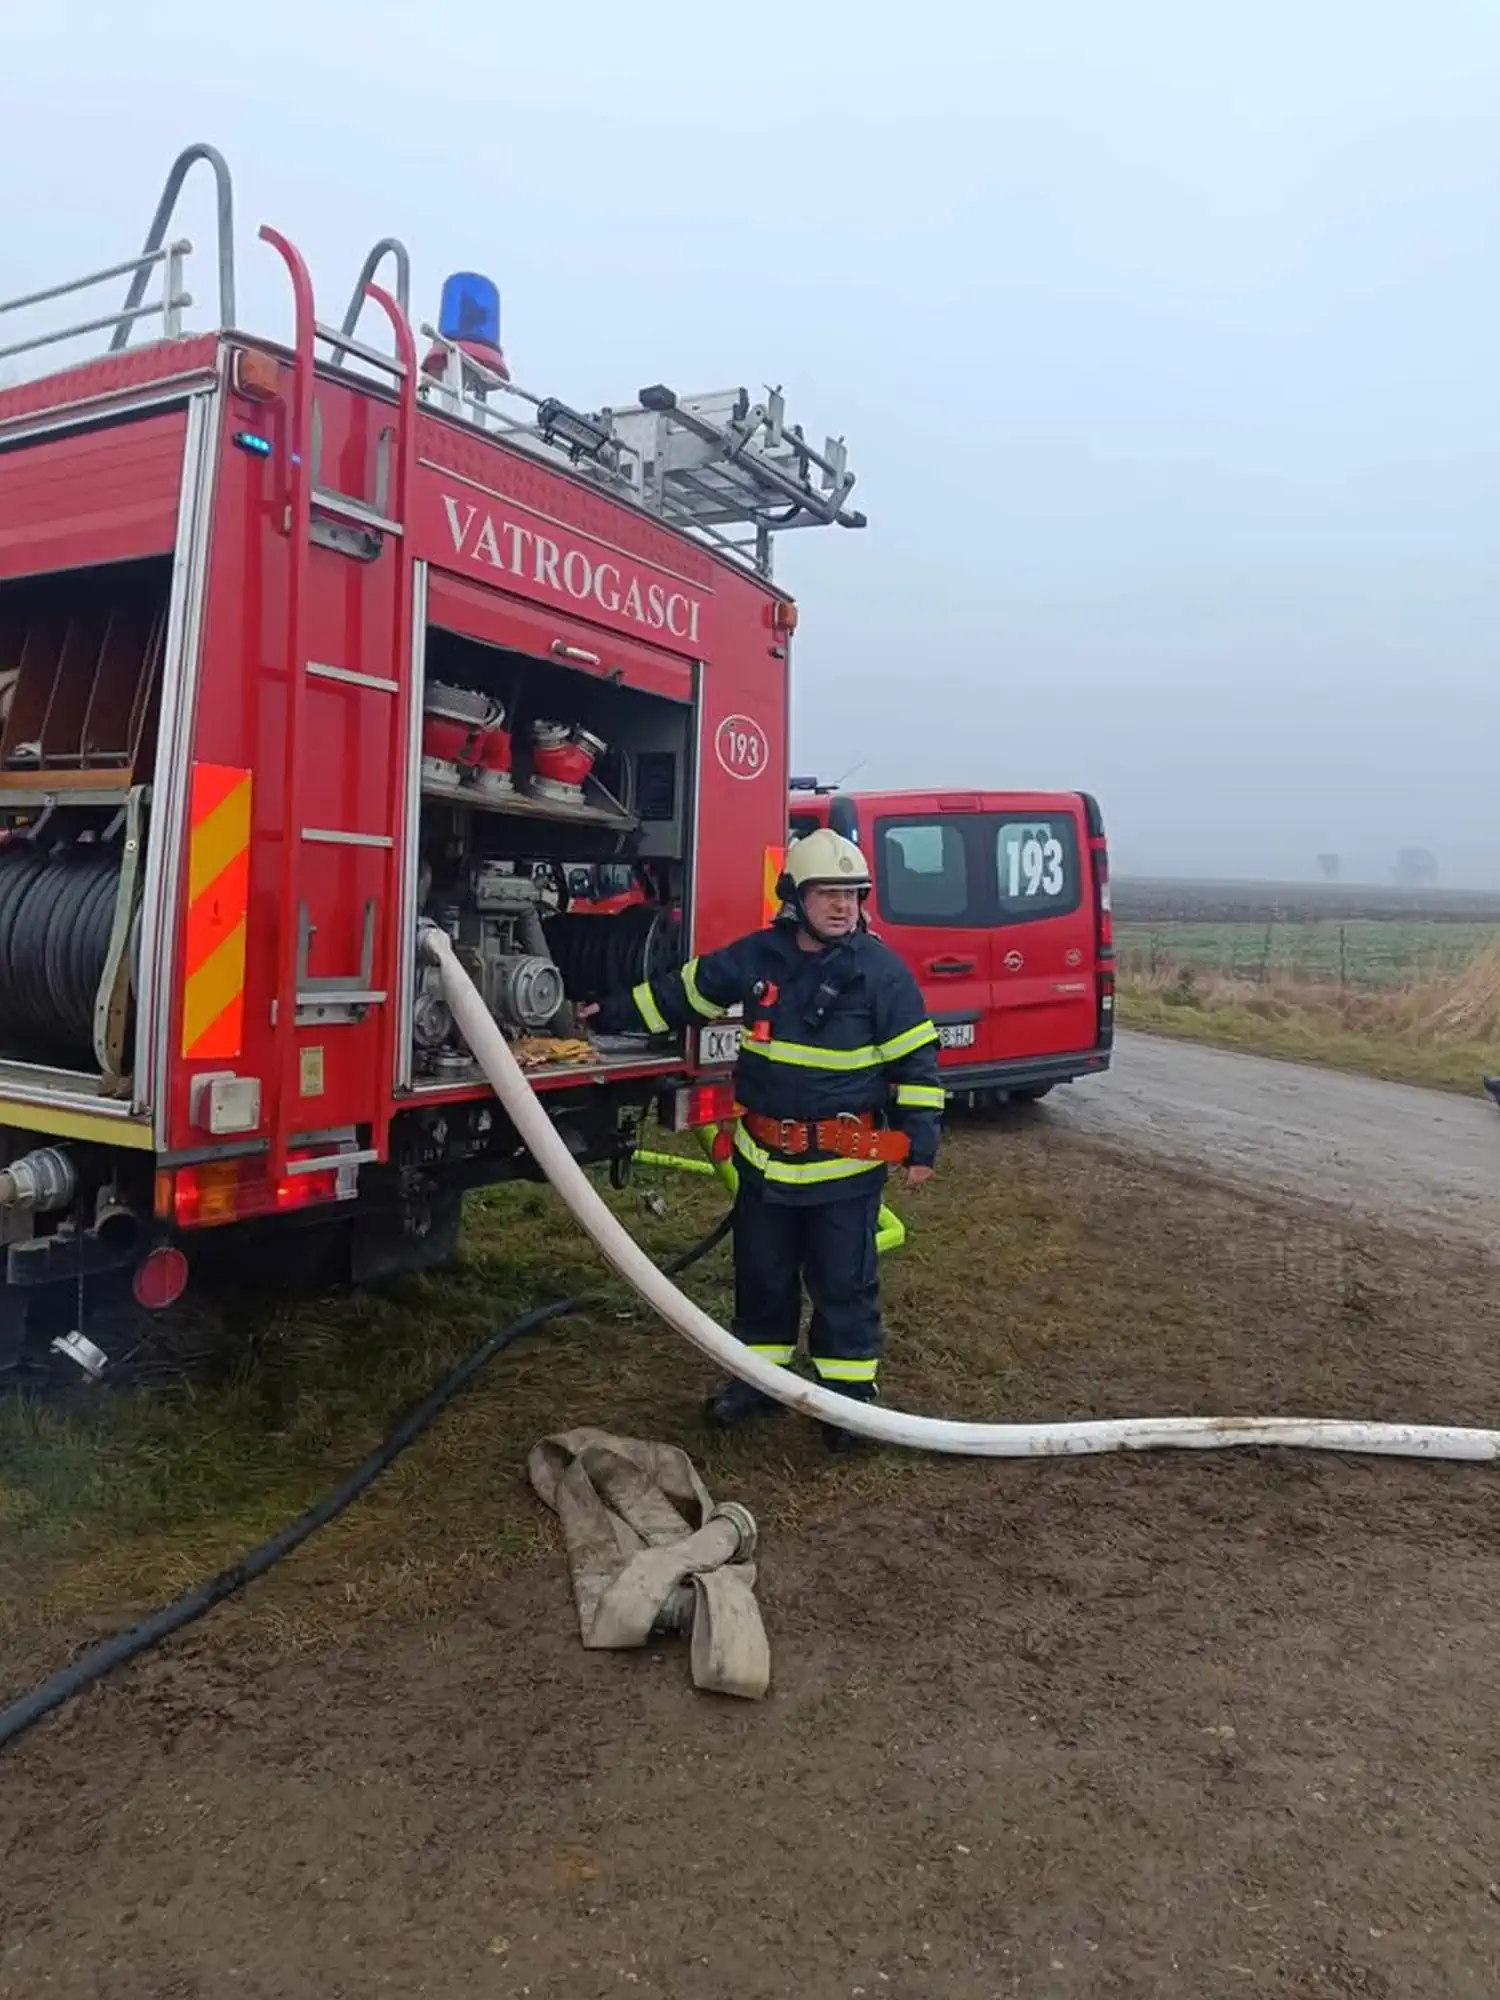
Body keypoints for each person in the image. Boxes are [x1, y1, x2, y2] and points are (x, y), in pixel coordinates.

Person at [576, 828, 944, 1452]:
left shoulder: (882, 974)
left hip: (842, 1170)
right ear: (795, 899)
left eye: (852, 895)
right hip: (765, 1162)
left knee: (843, 1286)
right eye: (827, 893)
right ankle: (759, 1382)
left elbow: (917, 1063)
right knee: (762, 1279)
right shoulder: (758, 958)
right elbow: (682, 993)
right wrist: (606, 1014)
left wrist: (921, 1146)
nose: (841, 907)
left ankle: (849, 1404)